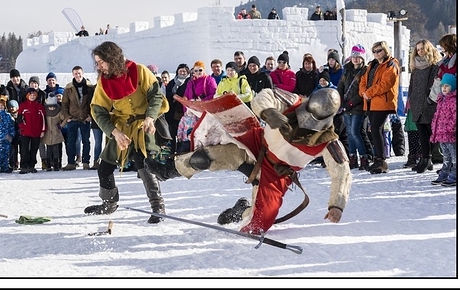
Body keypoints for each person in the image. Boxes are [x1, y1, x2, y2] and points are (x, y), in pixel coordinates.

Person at [144, 87, 352, 235]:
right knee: (204, 158)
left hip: (276, 173)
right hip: (256, 144)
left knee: (258, 224)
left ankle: (240, 210)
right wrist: (268, 111)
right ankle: (167, 171)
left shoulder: (329, 142)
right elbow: (266, 95)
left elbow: (342, 173)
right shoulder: (293, 101)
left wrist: (337, 205)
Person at [84, 41, 171, 224]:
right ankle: (109, 204)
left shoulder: (139, 70)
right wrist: (114, 132)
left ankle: (158, 207)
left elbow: (155, 95)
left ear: (112, 58)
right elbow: (97, 110)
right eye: (97, 62)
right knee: (105, 166)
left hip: (144, 124)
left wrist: (150, 117)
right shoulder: (103, 83)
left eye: (102, 62)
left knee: (144, 164)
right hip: (122, 127)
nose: (99, 66)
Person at [359, 41, 400, 174]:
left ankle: (381, 160)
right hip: (371, 102)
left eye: (379, 50)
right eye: (374, 51)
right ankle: (378, 159)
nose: (377, 53)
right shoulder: (372, 64)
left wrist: (368, 93)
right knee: (375, 130)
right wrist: (363, 93)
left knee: (376, 129)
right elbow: (363, 80)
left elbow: (386, 84)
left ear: (385, 50)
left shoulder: (391, 64)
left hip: (382, 102)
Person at [407, 39, 442, 173]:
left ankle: (428, 158)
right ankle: (424, 159)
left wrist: (430, 99)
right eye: (418, 49)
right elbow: (412, 86)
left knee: (430, 132)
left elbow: (436, 84)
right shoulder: (415, 67)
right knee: (421, 132)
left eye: (422, 49)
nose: (420, 51)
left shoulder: (434, 66)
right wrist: (411, 99)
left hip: (429, 103)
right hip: (416, 103)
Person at [337, 44, 370, 170]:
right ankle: (352, 157)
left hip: (358, 107)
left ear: (362, 58)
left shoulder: (365, 71)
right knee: (349, 134)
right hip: (346, 106)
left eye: (358, 56)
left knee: (355, 132)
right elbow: (341, 85)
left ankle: (363, 157)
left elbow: (362, 92)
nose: (355, 59)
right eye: (354, 56)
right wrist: (340, 99)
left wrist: (351, 103)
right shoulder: (347, 69)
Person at [61, 66, 95, 170]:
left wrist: (90, 116)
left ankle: (86, 162)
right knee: (71, 141)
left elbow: (93, 103)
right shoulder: (69, 88)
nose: (78, 75)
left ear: (83, 73)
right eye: (75, 73)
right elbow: (64, 103)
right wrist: (66, 117)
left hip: (85, 119)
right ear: (73, 74)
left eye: (79, 73)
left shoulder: (89, 87)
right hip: (73, 119)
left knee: (86, 141)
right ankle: (71, 163)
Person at [430, 74, 457, 186]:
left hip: (449, 133)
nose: (444, 88)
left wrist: (451, 128)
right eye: (442, 86)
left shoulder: (454, 101)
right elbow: (437, 115)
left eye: (447, 86)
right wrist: (434, 127)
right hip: (441, 133)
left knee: (454, 155)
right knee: (445, 155)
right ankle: (445, 172)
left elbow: (455, 116)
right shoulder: (441, 100)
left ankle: (455, 173)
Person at [18, 87, 46, 174]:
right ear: (27, 96)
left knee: (34, 149)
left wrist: (43, 131)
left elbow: (43, 120)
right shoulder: (23, 106)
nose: (32, 96)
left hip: (36, 132)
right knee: (24, 149)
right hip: (25, 132)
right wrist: (23, 127)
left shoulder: (40, 106)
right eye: (31, 95)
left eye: (34, 95)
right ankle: (24, 166)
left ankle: (31, 165)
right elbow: (19, 119)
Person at [164, 63, 191, 154]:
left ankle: (180, 151)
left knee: (182, 134)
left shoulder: (189, 82)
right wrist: (173, 96)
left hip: (182, 112)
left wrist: (179, 98)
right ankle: (171, 152)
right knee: (171, 132)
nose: (182, 73)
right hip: (171, 112)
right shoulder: (172, 82)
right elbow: (167, 93)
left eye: (184, 71)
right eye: (180, 71)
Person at [41, 92, 65, 171]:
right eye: (50, 107)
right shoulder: (45, 112)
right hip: (48, 133)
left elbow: (64, 118)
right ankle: (48, 165)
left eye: (53, 107)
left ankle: (56, 165)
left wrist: (61, 125)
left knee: (56, 150)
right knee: (48, 150)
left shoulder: (58, 112)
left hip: (56, 133)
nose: (51, 108)